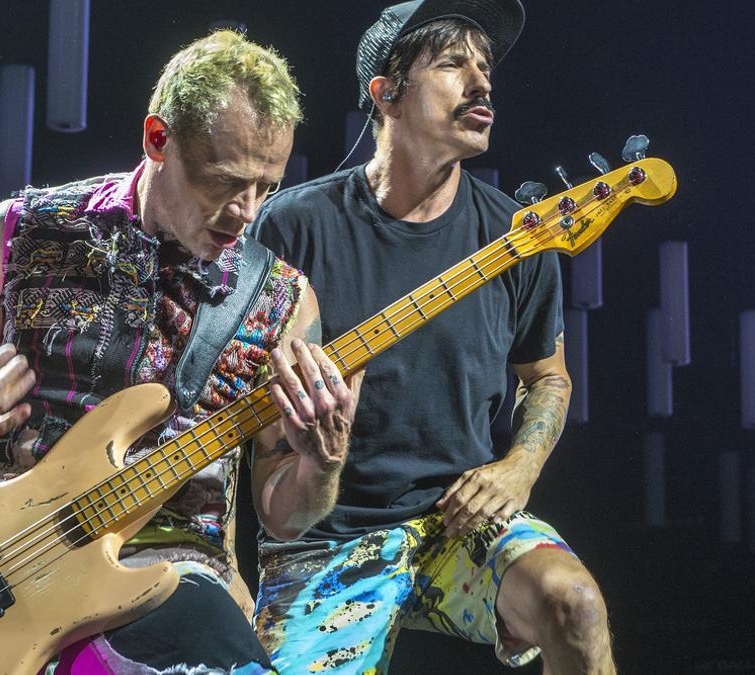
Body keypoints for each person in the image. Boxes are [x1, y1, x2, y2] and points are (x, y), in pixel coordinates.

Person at [0, 30, 358, 675]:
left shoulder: (280, 302)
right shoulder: (19, 232)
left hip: (173, 578)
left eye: (266, 186)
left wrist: (321, 465)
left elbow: (284, 513)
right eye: (223, 182)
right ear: (158, 139)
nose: (246, 211)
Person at [247, 2, 617, 673]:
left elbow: (547, 376)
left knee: (576, 605)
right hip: (324, 537)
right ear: (385, 94)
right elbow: (265, 451)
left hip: (456, 522)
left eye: (486, 67)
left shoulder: (519, 235)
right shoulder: (292, 228)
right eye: (453, 63)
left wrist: (519, 467)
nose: (483, 83)